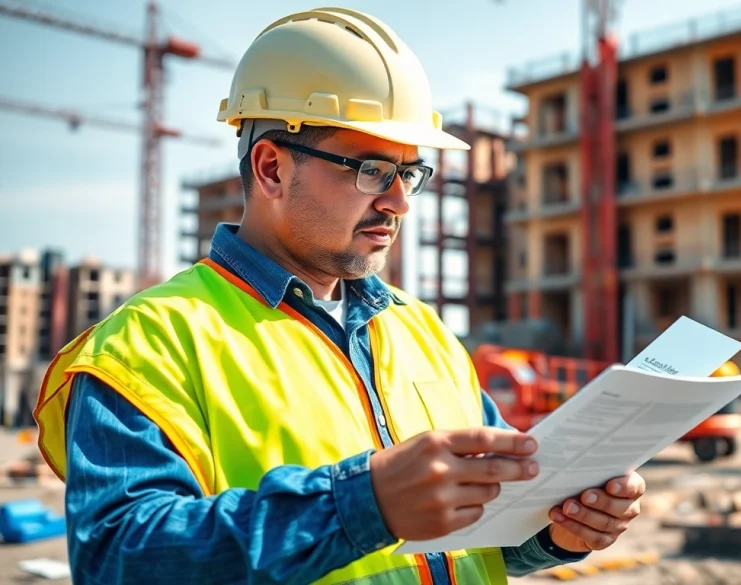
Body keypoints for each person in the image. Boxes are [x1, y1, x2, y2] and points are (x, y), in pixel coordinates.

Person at [34, 8, 645, 585]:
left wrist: (560, 529)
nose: (399, 201)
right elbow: (116, 557)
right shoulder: (147, 344)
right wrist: (359, 505)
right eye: (371, 170)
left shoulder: (421, 330)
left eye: (408, 173)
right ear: (272, 168)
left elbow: (484, 526)